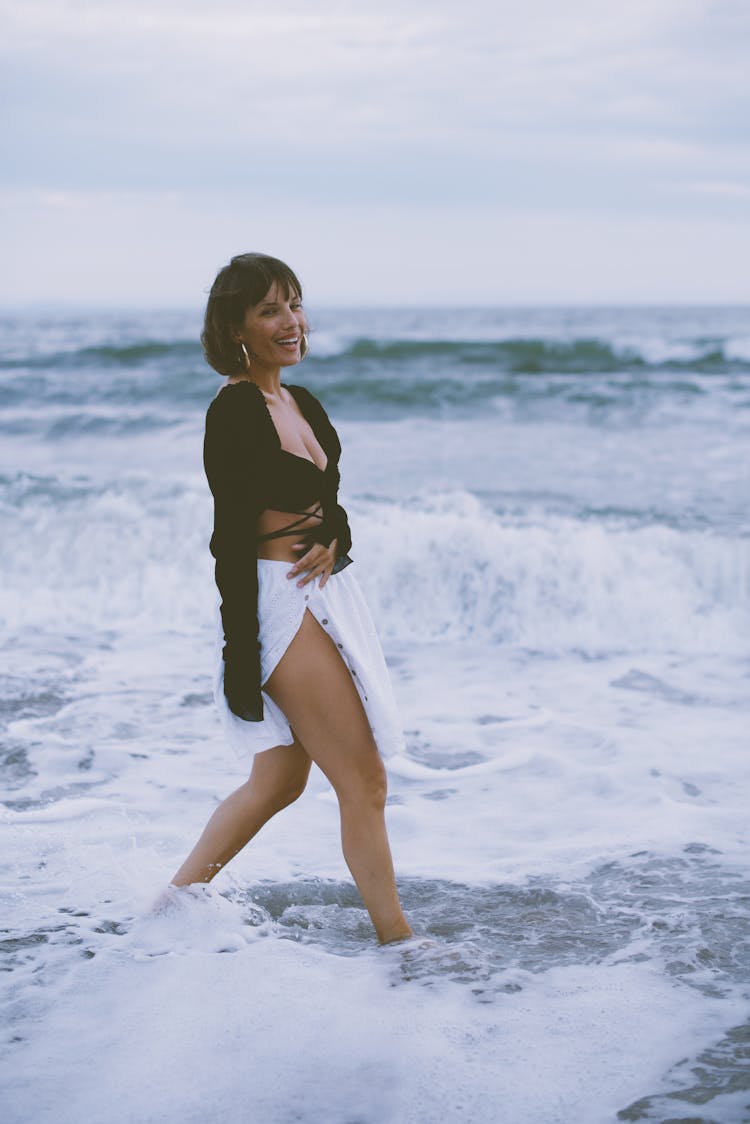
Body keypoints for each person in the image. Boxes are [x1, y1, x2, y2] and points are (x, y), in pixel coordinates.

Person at [170, 253, 413, 946]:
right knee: (363, 781)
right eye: (271, 309)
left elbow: (325, 504)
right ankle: (399, 944)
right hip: (277, 605)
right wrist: (240, 654)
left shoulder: (301, 403)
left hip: (326, 596)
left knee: (278, 782)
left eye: (296, 304)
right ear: (237, 326)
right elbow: (228, 536)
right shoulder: (236, 408)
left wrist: (337, 537)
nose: (291, 322)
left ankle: (169, 905)